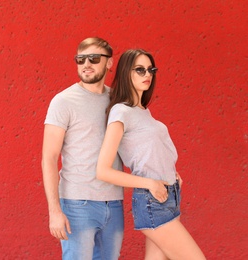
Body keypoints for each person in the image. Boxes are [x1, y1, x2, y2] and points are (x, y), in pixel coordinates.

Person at [96, 49, 206, 259]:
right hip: (152, 200)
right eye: (140, 70)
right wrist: (151, 183)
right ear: (127, 73)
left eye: (150, 70)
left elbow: (150, 153)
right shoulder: (121, 111)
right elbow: (103, 171)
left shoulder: (143, 111)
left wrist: (171, 173)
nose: (147, 74)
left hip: (169, 196)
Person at [41, 37, 125, 260]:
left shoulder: (117, 101)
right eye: (80, 59)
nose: (86, 64)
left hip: (114, 202)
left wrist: (163, 172)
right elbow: (49, 157)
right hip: (78, 204)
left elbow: (133, 146)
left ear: (109, 63)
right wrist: (54, 211)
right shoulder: (63, 101)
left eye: (94, 58)